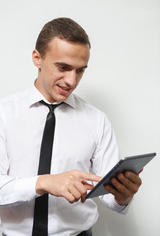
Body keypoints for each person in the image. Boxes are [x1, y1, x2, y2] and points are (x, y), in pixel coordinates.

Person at [0, 17, 142, 236]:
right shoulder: (4, 114)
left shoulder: (97, 120)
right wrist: (43, 183)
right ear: (37, 58)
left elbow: (110, 197)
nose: (71, 81)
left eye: (80, 70)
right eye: (63, 67)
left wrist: (123, 196)